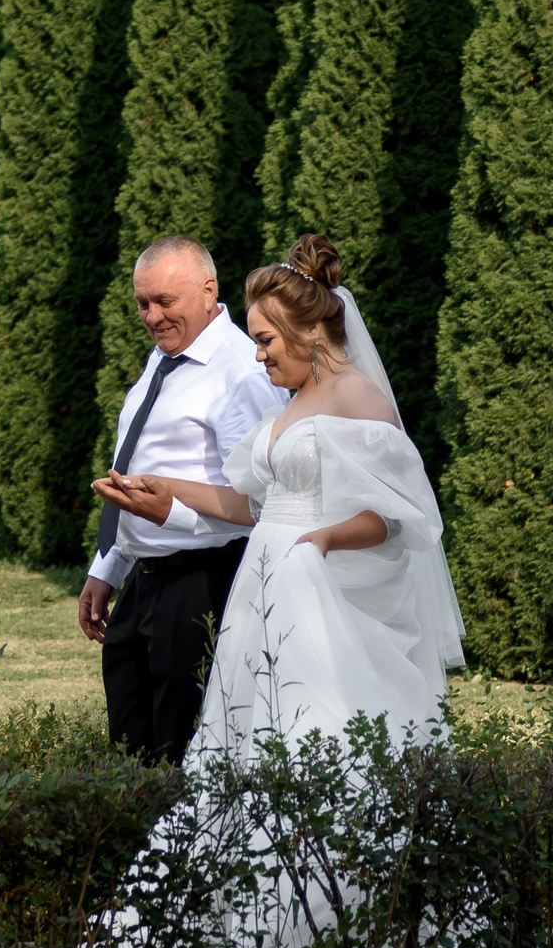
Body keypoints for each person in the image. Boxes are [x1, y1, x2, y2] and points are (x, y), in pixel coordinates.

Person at [94, 234, 462, 761]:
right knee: (249, 733)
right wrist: (169, 489)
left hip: (317, 588)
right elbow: (254, 505)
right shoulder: (292, 402)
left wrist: (324, 539)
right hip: (262, 586)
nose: (258, 354)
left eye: (266, 340)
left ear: (309, 330)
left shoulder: (357, 396)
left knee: (315, 729)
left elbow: (395, 516)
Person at [80, 235, 285, 765]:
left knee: (180, 751)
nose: (152, 317)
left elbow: (263, 503)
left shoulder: (241, 372)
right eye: (142, 304)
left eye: (164, 302)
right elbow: (137, 467)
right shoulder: (166, 357)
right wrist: (108, 566)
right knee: (128, 749)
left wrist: (171, 511)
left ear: (208, 291)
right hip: (144, 579)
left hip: (204, 581)